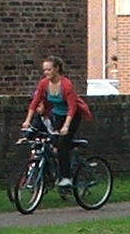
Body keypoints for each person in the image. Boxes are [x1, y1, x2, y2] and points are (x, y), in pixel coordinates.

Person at [25, 55, 92, 186]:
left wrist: (66, 126)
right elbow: (35, 102)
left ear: (57, 69)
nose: (46, 72)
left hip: (72, 116)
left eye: (49, 69)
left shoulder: (66, 85)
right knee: (53, 144)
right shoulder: (44, 83)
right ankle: (55, 172)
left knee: (62, 146)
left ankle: (66, 178)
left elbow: (72, 107)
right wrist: (27, 121)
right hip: (57, 115)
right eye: (44, 70)